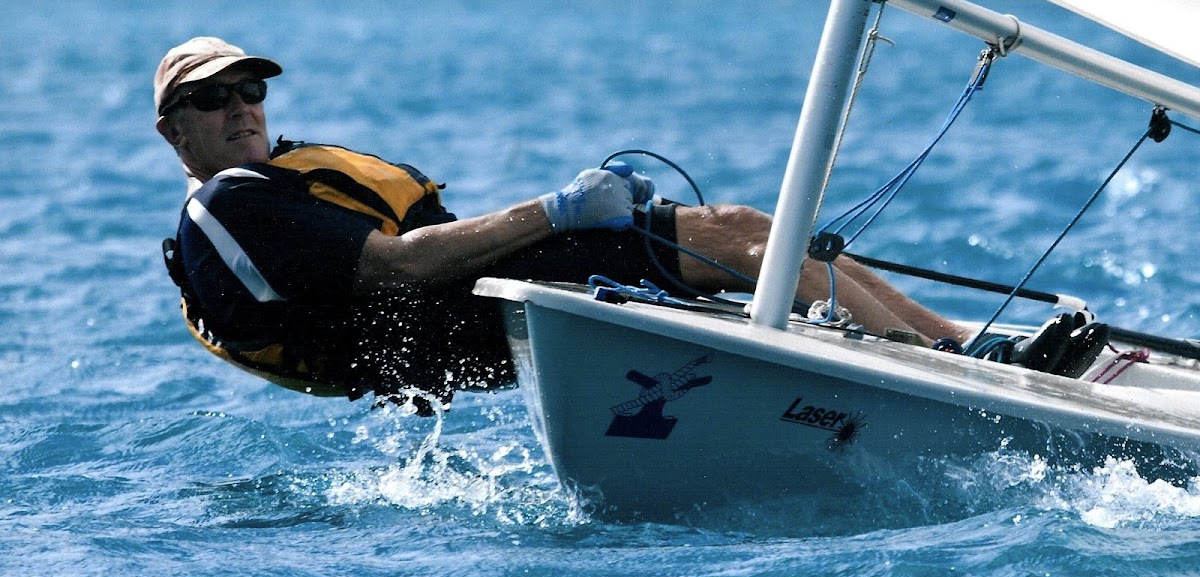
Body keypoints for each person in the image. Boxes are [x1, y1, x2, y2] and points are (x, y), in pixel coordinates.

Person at [156, 37, 1093, 409]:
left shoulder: (282, 174)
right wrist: (556, 210)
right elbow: (397, 267)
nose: (239, 107)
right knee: (732, 236)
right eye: (212, 99)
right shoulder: (231, 203)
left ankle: (959, 343)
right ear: (175, 131)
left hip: (468, 312)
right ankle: (968, 366)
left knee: (747, 232)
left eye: (249, 90)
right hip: (447, 320)